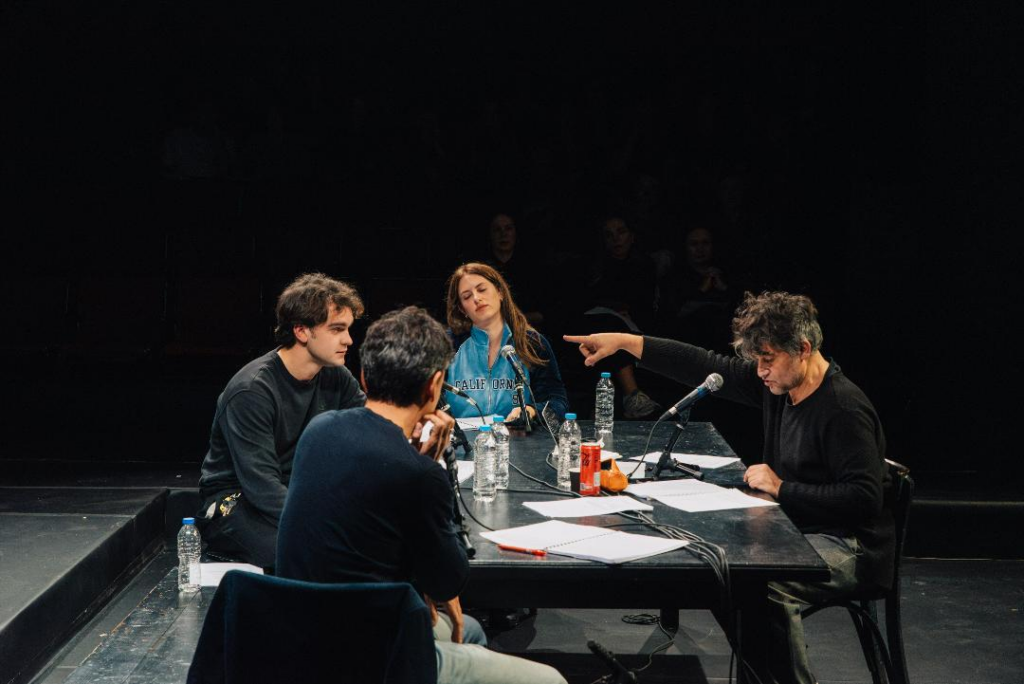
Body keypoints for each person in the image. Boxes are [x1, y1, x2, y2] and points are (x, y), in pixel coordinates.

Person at [565, 291, 894, 684]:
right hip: (800, 527)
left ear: (804, 349)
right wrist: (624, 342)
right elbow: (704, 364)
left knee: (763, 587)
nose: (761, 371)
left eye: (768, 359)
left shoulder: (842, 408)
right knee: (724, 575)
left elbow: (863, 499)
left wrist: (782, 488)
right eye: (757, 361)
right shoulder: (780, 385)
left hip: (850, 545)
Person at [276, 306, 567, 684]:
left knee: (471, 630)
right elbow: (449, 581)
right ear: (435, 386)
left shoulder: (319, 431)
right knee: (550, 680)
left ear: (364, 376)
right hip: (372, 658)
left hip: (300, 634)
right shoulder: (419, 473)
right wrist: (438, 468)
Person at [196, 273, 370, 568]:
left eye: (348, 329)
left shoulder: (336, 376)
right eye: (337, 329)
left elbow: (370, 429)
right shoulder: (252, 390)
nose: (349, 340)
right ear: (301, 331)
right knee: (309, 552)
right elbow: (262, 486)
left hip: (298, 491)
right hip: (237, 499)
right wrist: (326, 522)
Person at [444, 262, 568, 422]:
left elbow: (558, 402)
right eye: (467, 296)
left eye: (482, 289)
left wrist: (532, 411)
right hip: (462, 437)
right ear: (462, 309)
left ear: (500, 292)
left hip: (518, 436)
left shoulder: (533, 343)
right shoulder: (447, 344)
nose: (476, 298)